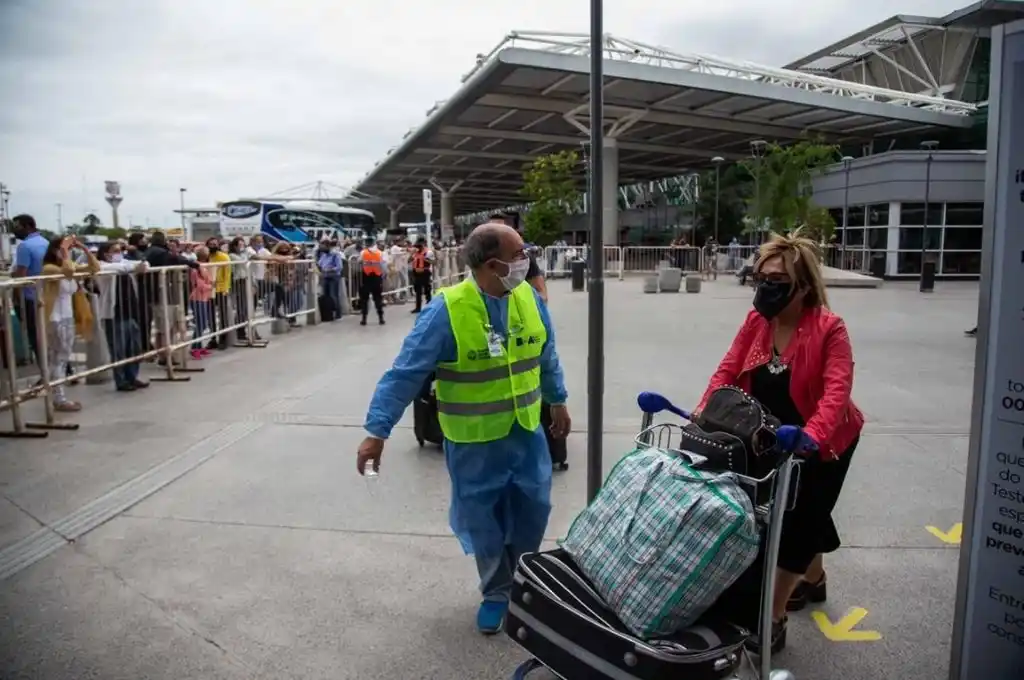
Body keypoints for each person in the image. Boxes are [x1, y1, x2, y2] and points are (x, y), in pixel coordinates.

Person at [357, 223, 570, 635]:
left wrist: (557, 399)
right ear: (492, 265)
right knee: (483, 519)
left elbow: (546, 355)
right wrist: (376, 431)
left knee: (533, 509)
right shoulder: (447, 310)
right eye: (518, 254)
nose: (526, 260)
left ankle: (522, 580)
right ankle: (497, 591)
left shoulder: (528, 298)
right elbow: (405, 373)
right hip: (474, 440)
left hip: (526, 431)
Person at [698, 231, 863, 654]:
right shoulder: (757, 323)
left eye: (777, 280)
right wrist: (704, 410)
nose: (766, 287)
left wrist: (812, 437)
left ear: (803, 287)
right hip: (773, 434)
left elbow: (836, 392)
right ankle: (814, 579)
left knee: (798, 519)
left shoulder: (829, 328)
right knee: (801, 510)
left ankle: (772, 617)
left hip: (825, 439)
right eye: (761, 278)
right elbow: (727, 370)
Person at [41, 236, 100, 411]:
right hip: (55, 318)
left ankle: (58, 395)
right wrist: (65, 251)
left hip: (67, 317)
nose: (67, 252)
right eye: (64, 249)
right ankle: (58, 398)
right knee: (58, 359)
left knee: (62, 358)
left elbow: (94, 268)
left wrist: (84, 249)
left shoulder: (69, 266)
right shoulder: (49, 268)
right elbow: (67, 272)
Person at [94, 242, 150, 391]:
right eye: (115, 251)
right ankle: (121, 380)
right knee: (118, 350)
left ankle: (132, 376)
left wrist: (140, 266)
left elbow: (142, 264)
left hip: (131, 311)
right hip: (114, 314)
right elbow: (118, 268)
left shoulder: (123, 263)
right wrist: (134, 268)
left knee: (134, 348)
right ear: (105, 253)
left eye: (120, 250)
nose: (119, 253)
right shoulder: (101, 266)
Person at [10, 215, 49, 365]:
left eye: (17, 226)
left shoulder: (24, 246)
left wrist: (16, 298)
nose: (15, 230)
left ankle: (45, 369)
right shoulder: (46, 242)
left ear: (28, 226)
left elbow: (21, 276)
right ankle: (62, 369)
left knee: (35, 337)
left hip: (30, 298)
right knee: (48, 335)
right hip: (46, 295)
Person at [358, 237, 385, 326]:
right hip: (377, 277)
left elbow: (359, 261)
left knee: (364, 299)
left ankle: (364, 319)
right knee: (378, 298)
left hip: (366, 277)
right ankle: (381, 318)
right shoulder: (380, 253)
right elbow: (383, 265)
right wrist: (383, 276)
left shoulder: (363, 252)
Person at [317, 239, 343, 319]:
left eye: (322, 246)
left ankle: (338, 313)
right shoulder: (323, 255)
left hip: (333, 277)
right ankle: (329, 313)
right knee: (326, 295)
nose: (321, 248)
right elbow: (319, 264)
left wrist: (330, 269)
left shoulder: (335, 254)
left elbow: (339, 267)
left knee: (333, 295)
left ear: (327, 246)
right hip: (325, 277)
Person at [409, 241, 433, 313]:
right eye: (416, 247)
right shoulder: (415, 253)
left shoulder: (428, 252)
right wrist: (411, 254)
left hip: (425, 273)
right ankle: (418, 308)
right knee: (418, 291)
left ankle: (430, 305)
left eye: (419, 247)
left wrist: (425, 258)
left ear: (422, 246)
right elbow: (409, 261)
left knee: (427, 290)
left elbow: (433, 262)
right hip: (417, 274)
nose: (417, 248)